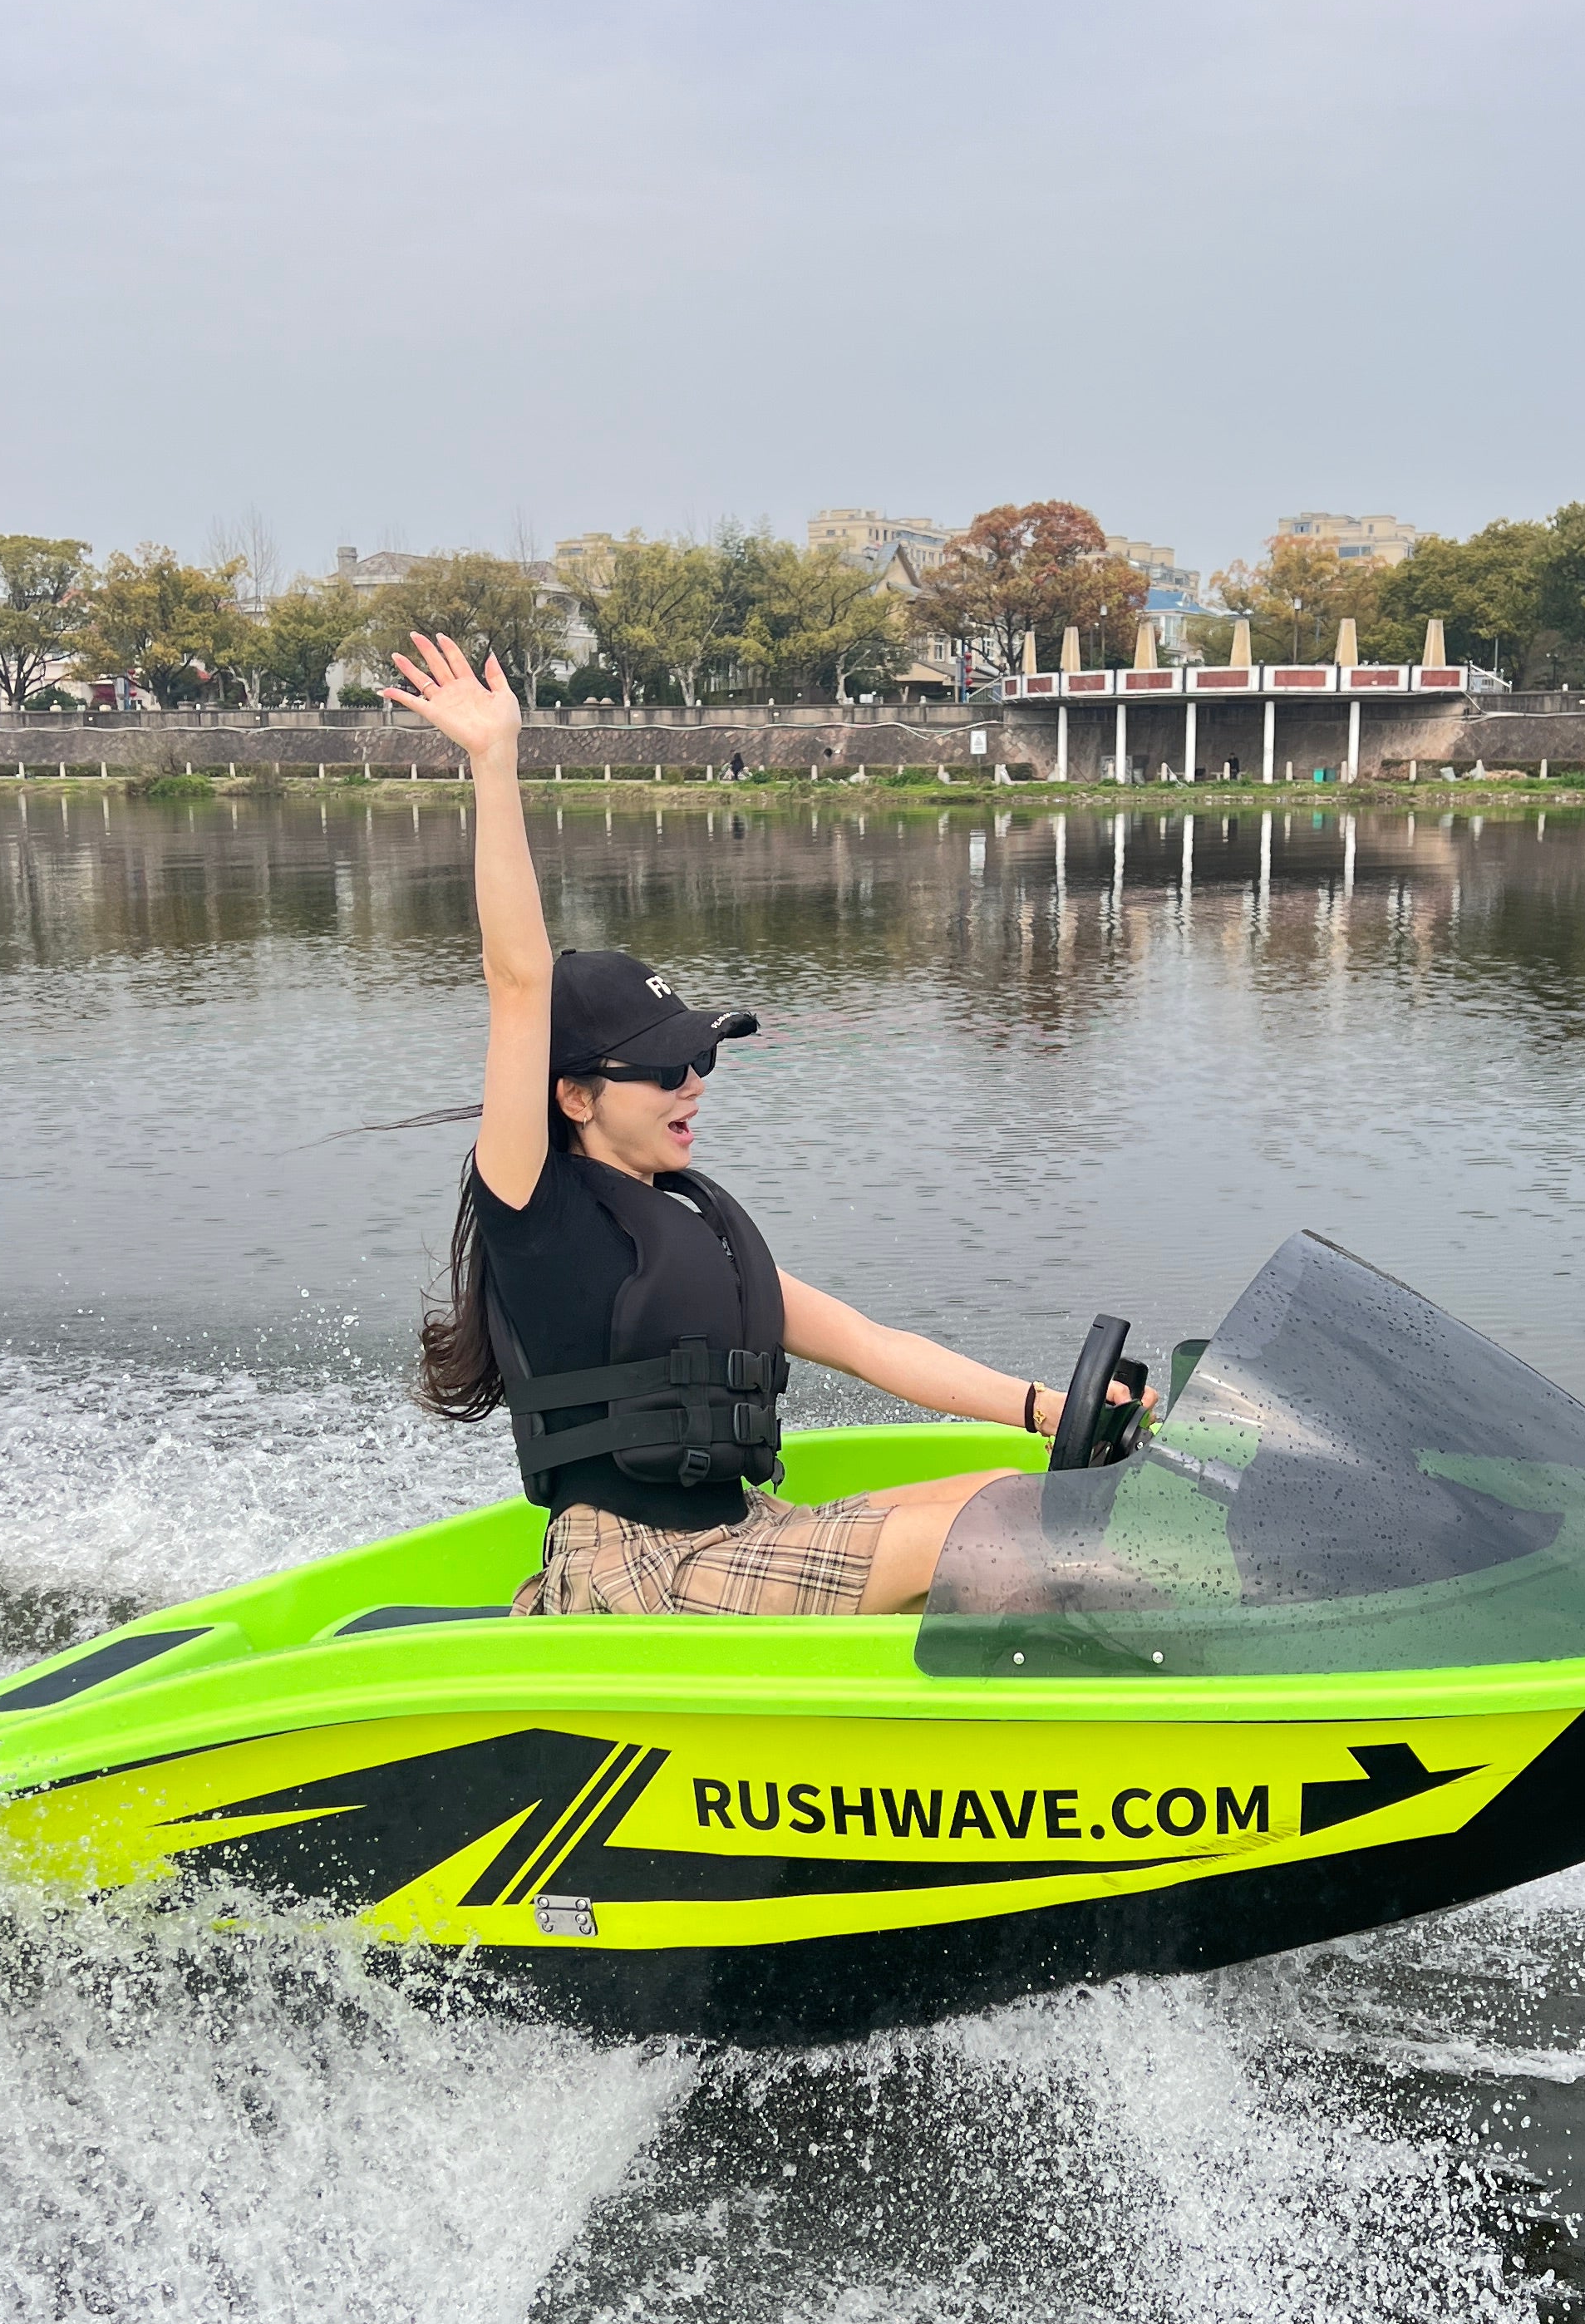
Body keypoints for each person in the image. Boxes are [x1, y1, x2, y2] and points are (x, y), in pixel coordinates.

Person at [382, 629, 1095, 1619]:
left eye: (701, 1062)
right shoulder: (534, 1211)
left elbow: (873, 1344)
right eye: (665, 1071)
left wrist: (1050, 1409)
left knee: (1025, 1499)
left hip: (740, 1533)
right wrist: (495, 760)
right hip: (633, 1573)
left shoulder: (694, 1232)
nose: (693, 1086)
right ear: (575, 1096)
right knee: (1004, 1544)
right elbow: (517, 981)